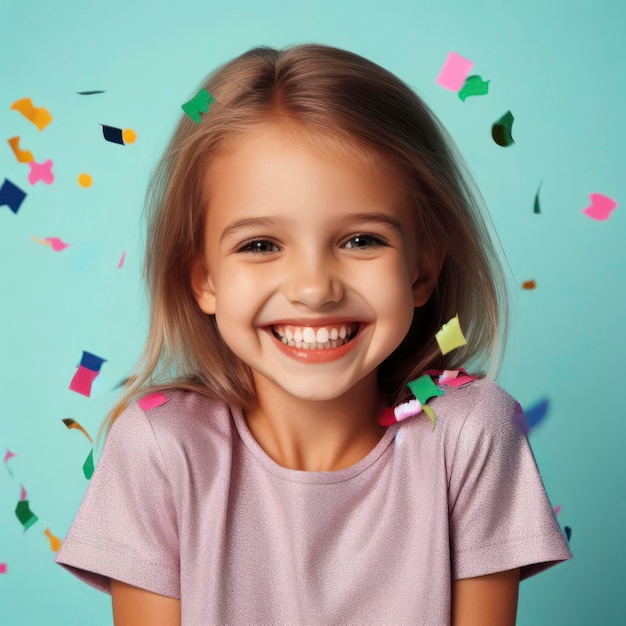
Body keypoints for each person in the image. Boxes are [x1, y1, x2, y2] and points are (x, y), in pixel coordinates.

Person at [55, 44, 572, 625]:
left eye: (361, 240)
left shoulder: (470, 434)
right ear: (204, 280)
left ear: (422, 270)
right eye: (260, 245)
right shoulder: (160, 448)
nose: (313, 288)